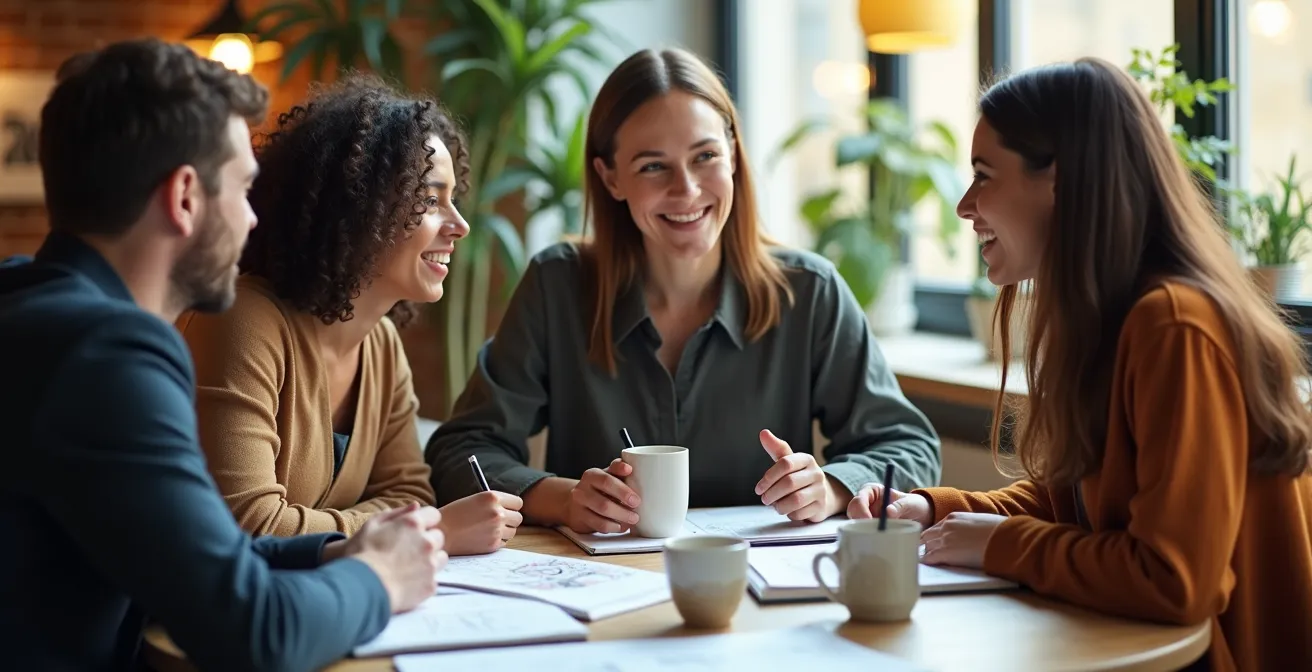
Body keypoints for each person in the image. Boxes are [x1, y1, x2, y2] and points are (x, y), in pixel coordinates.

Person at [847, 58, 1312, 670]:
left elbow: (1176, 581)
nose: (965, 206)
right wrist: (939, 510)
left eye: (984, 176)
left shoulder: (1174, 327)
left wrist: (1001, 544)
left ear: (1062, 183)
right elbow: (1082, 513)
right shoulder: (1106, 321)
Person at [0, 39, 449, 671]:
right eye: (242, 189)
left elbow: (202, 558)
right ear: (184, 198)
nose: (254, 221)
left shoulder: (33, 309)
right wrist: (379, 580)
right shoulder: (107, 356)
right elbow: (254, 632)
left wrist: (331, 554)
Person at [426, 47, 940, 534]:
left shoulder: (809, 292)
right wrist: (561, 499)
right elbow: (462, 451)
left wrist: (828, 486)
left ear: (734, 157)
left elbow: (909, 446)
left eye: (705, 156)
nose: (687, 190)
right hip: (604, 588)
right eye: (653, 166)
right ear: (610, 178)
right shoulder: (557, 286)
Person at [176, 73, 523, 555]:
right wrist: (428, 530)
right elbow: (248, 525)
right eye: (429, 200)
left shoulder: (381, 345)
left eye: (453, 201)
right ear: (357, 207)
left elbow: (413, 495)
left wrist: (404, 523)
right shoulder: (242, 323)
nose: (459, 226)